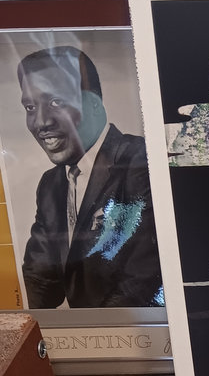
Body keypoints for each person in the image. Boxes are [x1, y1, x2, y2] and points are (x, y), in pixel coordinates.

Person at [18, 46, 163, 308]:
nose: (41, 122)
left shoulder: (139, 163)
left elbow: (141, 280)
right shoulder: (50, 184)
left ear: (94, 105)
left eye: (56, 102)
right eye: (30, 107)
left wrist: (96, 330)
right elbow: (41, 278)